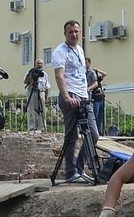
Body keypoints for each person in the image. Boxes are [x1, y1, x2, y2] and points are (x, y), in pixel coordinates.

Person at [49, 20, 98, 182]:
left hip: (83, 96)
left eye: (77, 31)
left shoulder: (80, 50)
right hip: (70, 96)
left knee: (94, 134)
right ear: (65, 34)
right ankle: (70, 172)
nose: (74, 34)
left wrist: (85, 94)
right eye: (71, 32)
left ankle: (79, 168)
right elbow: (59, 75)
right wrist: (66, 97)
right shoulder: (60, 51)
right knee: (72, 136)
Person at [22, 60, 48, 127]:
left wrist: (46, 97)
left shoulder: (44, 74)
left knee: (42, 109)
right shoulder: (30, 72)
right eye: (38, 63)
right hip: (32, 92)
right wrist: (32, 73)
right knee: (31, 109)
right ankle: (32, 127)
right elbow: (25, 81)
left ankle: (42, 127)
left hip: (41, 92)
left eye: (41, 63)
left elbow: (47, 86)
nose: (39, 65)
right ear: (35, 64)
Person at [87, 62, 107, 132]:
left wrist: (98, 70)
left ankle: (100, 131)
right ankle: (95, 131)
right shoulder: (89, 79)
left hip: (101, 99)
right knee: (95, 116)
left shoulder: (98, 78)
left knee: (100, 117)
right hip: (95, 99)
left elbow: (105, 74)